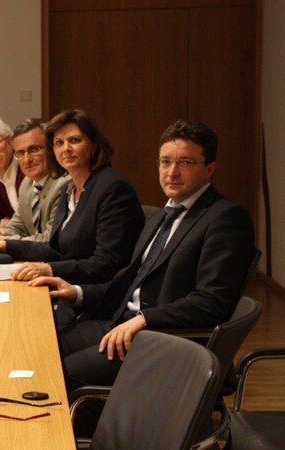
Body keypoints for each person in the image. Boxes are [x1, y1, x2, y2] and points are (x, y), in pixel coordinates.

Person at [29, 119, 255, 392]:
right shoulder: (162, 215)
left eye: (185, 163)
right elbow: (131, 283)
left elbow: (211, 302)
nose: (171, 172)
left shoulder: (226, 219)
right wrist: (75, 291)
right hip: (122, 323)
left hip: (165, 340)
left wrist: (145, 320)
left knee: (57, 377)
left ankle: (97, 435)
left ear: (210, 169)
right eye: (165, 162)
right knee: (36, 350)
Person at [0, 110, 144, 287]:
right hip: (71, 284)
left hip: (95, 295)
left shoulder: (111, 187)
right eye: (59, 143)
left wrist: (49, 269)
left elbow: (107, 263)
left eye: (74, 140)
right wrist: (5, 245)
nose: (66, 149)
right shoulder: (71, 190)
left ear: (94, 145)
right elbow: (55, 246)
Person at [0, 118, 69, 244]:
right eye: (20, 153)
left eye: (34, 150)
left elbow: (50, 239)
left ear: (50, 148)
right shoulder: (27, 184)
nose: (27, 159)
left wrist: (4, 242)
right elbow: (18, 225)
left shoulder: (64, 184)